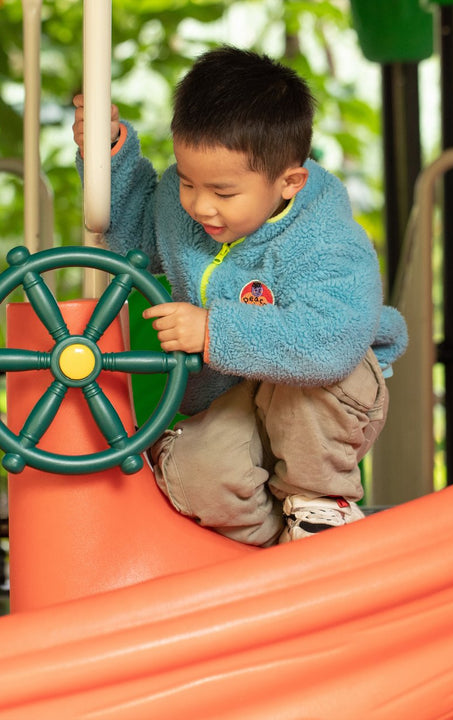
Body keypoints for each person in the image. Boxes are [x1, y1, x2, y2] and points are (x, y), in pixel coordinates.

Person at [71, 46, 408, 546]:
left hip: (324, 389)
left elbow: (330, 343)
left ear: (289, 182)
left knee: (306, 400)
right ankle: (269, 545)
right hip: (230, 395)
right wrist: (109, 155)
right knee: (196, 475)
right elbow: (138, 237)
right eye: (187, 181)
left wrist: (214, 329)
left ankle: (318, 505)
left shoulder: (326, 239)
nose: (200, 204)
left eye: (223, 193)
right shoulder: (186, 205)